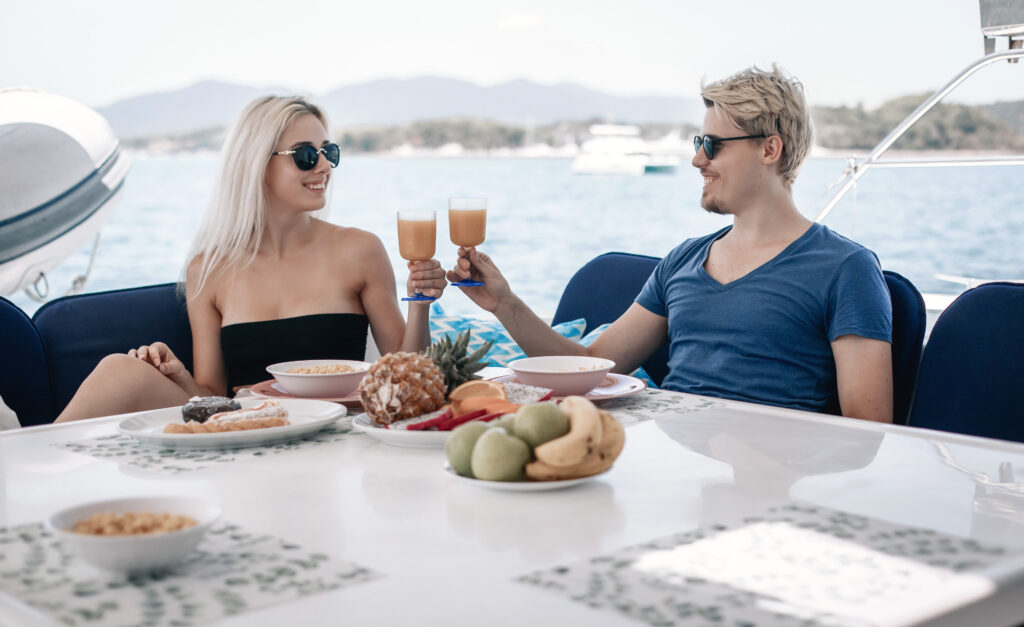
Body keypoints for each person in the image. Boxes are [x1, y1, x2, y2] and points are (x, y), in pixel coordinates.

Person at [448, 65, 893, 422]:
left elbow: (868, 431)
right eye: (699, 142)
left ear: (769, 149)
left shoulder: (845, 269)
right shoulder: (683, 260)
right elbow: (592, 366)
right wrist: (504, 305)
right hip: (675, 469)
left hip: (769, 487)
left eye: (712, 145)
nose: (697, 159)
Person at [56, 95, 446, 422]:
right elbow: (210, 395)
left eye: (329, 152)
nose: (325, 166)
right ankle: (25, 470)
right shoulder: (209, 270)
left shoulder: (360, 250)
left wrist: (420, 302)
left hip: (333, 427)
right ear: (258, 163)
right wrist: (176, 373)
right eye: (307, 155)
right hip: (249, 429)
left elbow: (406, 376)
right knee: (119, 370)